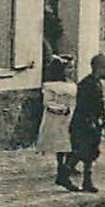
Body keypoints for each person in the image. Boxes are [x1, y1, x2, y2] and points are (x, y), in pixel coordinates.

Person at [69, 53, 105, 193]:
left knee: (91, 154)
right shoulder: (87, 84)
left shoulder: (97, 83)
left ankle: (87, 181)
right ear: (99, 67)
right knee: (80, 152)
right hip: (84, 124)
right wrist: (92, 122)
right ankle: (63, 174)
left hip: (93, 124)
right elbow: (84, 106)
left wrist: (104, 123)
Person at [37, 56, 79, 191]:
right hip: (58, 120)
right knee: (62, 147)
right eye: (68, 68)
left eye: (72, 67)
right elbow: (48, 103)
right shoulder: (51, 86)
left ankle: (67, 169)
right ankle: (63, 173)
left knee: (72, 145)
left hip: (71, 118)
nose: (71, 71)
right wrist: (61, 109)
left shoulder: (72, 84)